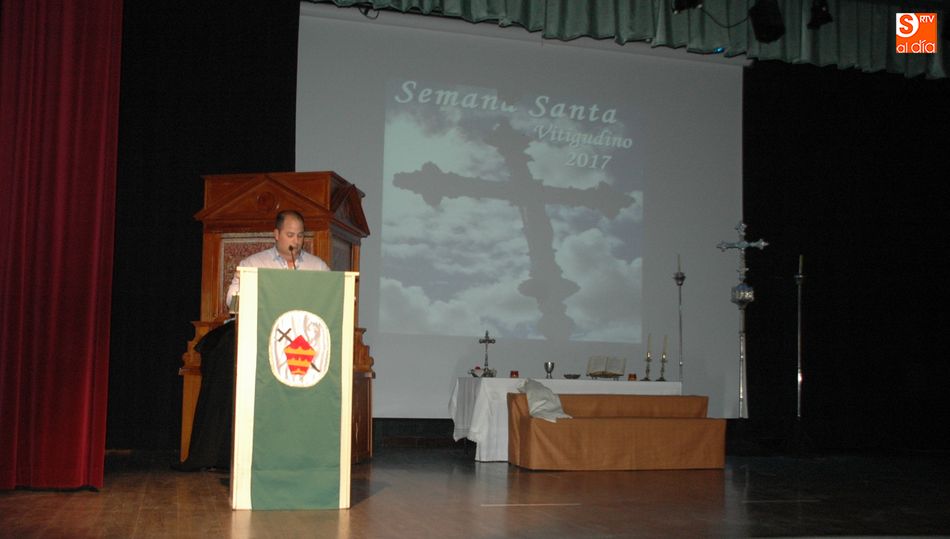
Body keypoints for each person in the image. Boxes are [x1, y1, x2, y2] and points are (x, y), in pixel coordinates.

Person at [224, 210, 330, 311]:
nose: (296, 241)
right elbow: (231, 303)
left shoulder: (318, 267)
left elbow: (331, 300)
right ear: (277, 234)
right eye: (290, 235)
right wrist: (243, 287)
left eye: (300, 235)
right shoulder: (252, 264)